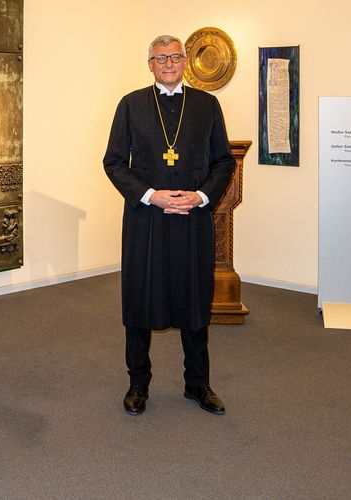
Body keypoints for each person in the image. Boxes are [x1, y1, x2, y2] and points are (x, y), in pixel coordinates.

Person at [103, 35, 235, 416]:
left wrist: (201, 196)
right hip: (147, 218)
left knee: (194, 298)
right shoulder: (130, 104)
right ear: (150, 63)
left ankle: (198, 384)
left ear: (185, 62)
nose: (168, 63)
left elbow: (223, 162)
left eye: (175, 56)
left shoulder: (208, 105)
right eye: (160, 58)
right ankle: (137, 384)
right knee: (141, 296)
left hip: (193, 218)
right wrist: (150, 195)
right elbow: (113, 162)